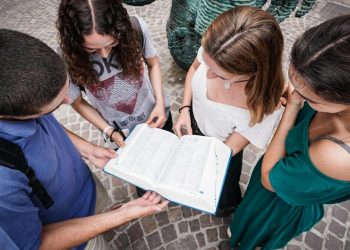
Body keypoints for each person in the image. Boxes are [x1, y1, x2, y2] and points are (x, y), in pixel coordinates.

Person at [0, 29, 168, 250]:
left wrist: (88, 150)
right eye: (58, 105)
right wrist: (123, 215)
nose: (71, 99)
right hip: (68, 233)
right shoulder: (3, 182)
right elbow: (35, 244)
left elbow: (46, 126)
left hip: (84, 190)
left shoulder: (20, 101)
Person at [229, 15, 350, 249]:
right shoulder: (329, 95)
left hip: (280, 203)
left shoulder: (338, 155)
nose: (295, 93)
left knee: (256, 235)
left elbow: (270, 178)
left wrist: (293, 107)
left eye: (308, 97)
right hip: (274, 181)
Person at [173, 6, 284, 217]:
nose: (208, 76)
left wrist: (200, 158)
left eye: (222, 76)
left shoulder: (264, 103)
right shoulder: (215, 50)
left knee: (223, 189)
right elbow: (195, 69)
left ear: (253, 73)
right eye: (208, 65)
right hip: (193, 123)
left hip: (222, 148)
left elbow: (229, 149)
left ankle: (225, 208)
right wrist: (185, 109)